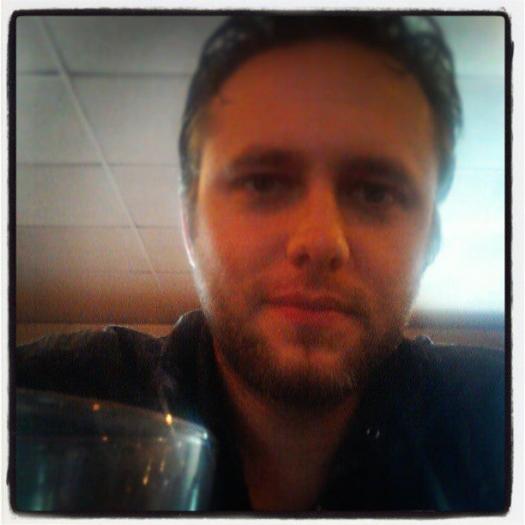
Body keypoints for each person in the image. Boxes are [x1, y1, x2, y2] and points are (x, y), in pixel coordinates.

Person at [15, 14, 505, 513]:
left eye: (376, 192)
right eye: (263, 182)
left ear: (431, 239)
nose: (319, 242)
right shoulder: (48, 396)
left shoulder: (500, 415)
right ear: (190, 222)